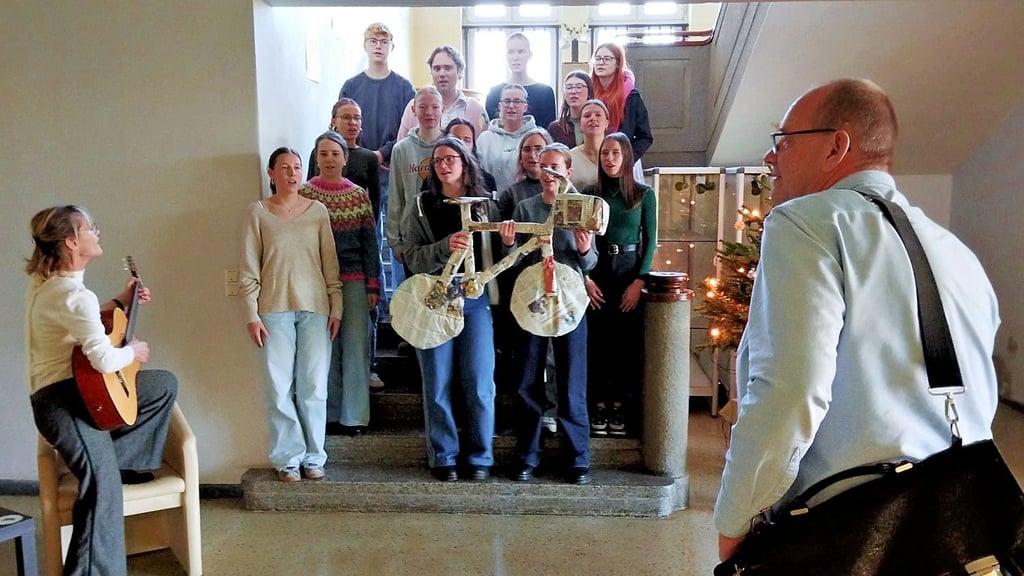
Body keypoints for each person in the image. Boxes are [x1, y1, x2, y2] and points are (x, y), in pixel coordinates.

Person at [714, 79, 1000, 560]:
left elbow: (790, 391)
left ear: (835, 147)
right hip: (960, 525)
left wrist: (736, 516)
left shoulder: (806, 223)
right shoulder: (957, 252)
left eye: (784, 141)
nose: (771, 157)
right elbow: (978, 397)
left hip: (852, 532)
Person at [26, 205, 179, 575]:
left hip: (80, 391)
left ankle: (119, 464)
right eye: (90, 228)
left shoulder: (52, 285)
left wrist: (121, 301)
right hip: (62, 402)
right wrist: (134, 352)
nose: (97, 232)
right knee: (102, 490)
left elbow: (84, 321)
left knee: (161, 385)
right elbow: (105, 361)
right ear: (71, 241)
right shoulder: (72, 295)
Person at [240, 147, 342, 483]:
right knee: (278, 386)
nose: (292, 173)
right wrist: (251, 313)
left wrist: (337, 307)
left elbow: (330, 264)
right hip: (273, 309)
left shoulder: (318, 212)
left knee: (314, 386)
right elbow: (249, 267)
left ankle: (314, 457)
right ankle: (287, 458)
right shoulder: (257, 213)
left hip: (316, 309)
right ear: (271, 173)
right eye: (284, 167)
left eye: (297, 167)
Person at [401, 136, 497, 482]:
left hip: (474, 300)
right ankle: (443, 455)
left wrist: (508, 240)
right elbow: (412, 257)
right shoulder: (421, 205)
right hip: (434, 299)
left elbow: (498, 254)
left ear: (465, 162)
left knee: (480, 381)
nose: (444, 165)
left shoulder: (485, 204)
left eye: (450, 158)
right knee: (437, 381)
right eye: (438, 160)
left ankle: (480, 456)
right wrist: (444, 247)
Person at [500, 143, 596, 485]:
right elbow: (513, 261)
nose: (549, 172)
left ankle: (577, 457)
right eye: (544, 166)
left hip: (571, 301)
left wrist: (585, 249)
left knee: (572, 380)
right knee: (528, 379)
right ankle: (527, 455)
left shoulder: (581, 206)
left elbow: (591, 262)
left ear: (568, 171)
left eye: (556, 166)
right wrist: (509, 244)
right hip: (533, 301)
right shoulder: (526, 208)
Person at [301, 131, 380, 436]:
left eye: (335, 153)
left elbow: (369, 242)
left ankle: (355, 416)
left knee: (356, 347)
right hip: (316, 284)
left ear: (345, 159)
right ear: (316, 158)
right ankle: (330, 414)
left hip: (355, 281)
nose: (330, 159)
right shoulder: (304, 194)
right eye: (323, 153)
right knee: (325, 349)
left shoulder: (358, 195)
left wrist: (373, 284)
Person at [583, 133, 657, 439]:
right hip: (597, 272)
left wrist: (640, 280)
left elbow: (650, 241)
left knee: (624, 346)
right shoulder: (590, 194)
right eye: (605, 153)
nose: (609, 158)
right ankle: (599, 405)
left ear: (626, 156)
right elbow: (579, 240)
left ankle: (619, 407)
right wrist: (585, 279)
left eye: (615, 153)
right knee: (597, 345)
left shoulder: (643, 194)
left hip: (628, 272)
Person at [323, 98, 386, 391]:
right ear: (334, 120)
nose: (352, 123)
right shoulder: (322, 152)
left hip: (362, 238)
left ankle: (369, 369)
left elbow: (375, 201)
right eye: (346, 117)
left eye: (357, 118)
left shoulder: (368, 158)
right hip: (327, 253)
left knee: (366, 317)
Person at [339, 22, 416, 179]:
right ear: (365, 46)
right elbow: (341, 127)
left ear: (392, 47)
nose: (378, 46)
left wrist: (383, 153)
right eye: (373, 41)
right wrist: (363, 155)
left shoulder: (405, 87)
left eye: (384, 42)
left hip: (392, 164)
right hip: (356, 163)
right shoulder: (351, 86)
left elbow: (411, 129)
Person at [387, 87, 446, 271]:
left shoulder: (450, 147)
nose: (429, 112)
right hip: (412, 235)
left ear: (442, 109)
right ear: (413, 110)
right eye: (422, 107)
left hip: (444, 233)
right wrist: (394, 241)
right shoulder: (401, 149)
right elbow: (395, 195)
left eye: (435, 107)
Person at [397, 45, 488, 140]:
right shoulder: (414, 106)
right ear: (431, 72)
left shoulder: (476, 109)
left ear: (460, 71)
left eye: (448, 68)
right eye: (437, 69)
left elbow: (484, 146)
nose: (442, 74)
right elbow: (401, 144)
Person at [590, 43, 653, 164]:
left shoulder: (631, 96)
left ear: (618, 64)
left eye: (607, 59)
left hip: (622, 161)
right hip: (592, 159)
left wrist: (626, 158)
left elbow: (645, 136)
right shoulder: (588, 93)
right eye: (597, 58)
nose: (601, 62)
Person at [485, 32, 557, 129]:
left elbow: (549, 130)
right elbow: (490, 127)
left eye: (521, 51)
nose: (515, 57)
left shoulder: (545, 92)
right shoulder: (494, 93)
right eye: (511, 52)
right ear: (506, 56)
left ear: (529, 55)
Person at [477, 83, 538, 192]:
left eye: (517, 101)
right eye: (506, 101)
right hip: (491, 198)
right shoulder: (485, 139)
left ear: (525, 107)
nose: (511, 106)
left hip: (527, 198)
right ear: (500, 106)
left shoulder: (536, 137)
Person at [442, 117, 497, 194]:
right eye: (455, 139)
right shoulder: (436, 177)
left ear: (473, 145)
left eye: (467, 140)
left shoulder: (487, 180)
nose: (461, 144)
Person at [569, 99, 611, 191]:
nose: (593, 118)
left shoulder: (616, 155)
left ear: (606, 123)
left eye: (598, 115)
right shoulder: (569, 158)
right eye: (587, 116)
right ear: (580, 124)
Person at [547, 71, 595, 148]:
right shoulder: (555, 128)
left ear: (589, 92)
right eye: (569, 87)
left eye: (579, 87)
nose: (573, 92)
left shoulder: (598, 125)